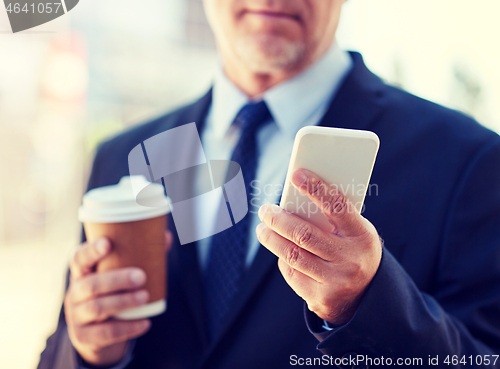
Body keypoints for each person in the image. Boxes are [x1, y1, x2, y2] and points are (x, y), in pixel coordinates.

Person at [39, 0, 500, 368]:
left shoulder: (467, 160)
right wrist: (87, 350)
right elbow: (59, 348)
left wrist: (371, 303)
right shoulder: (122, 157)